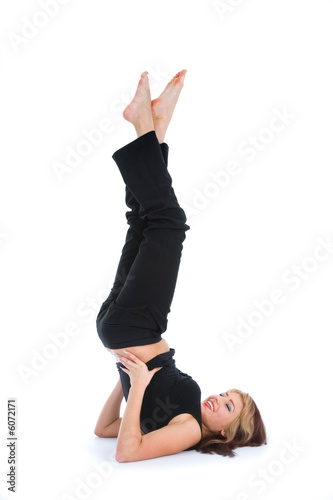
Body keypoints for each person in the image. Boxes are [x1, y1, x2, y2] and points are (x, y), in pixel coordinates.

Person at [94, 70, 267, 463]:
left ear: (226, 431)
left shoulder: (189, 430)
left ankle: (145, 124)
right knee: (142, 222)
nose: (217, 399)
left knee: (169, 223)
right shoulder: (183, 418)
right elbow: (103, 430)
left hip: (137, 325)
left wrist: (136, 383)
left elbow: (125, 452)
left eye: (227, 406)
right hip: (126, 326)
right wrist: (125, 381)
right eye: (225, 394)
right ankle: (154, 131)